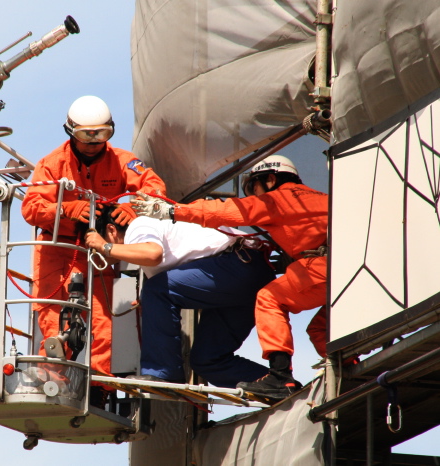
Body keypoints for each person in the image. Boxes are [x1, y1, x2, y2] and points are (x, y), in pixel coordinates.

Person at [132, 155, 328, 400]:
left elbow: (226, 211)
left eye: (254, 188)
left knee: (269, 298)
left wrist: (171, 211)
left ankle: (280, 377)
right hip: (352, 272)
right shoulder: (325, 198)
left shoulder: (277, 199)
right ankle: (346, 371)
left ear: (269, 179)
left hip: (321, 267)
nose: (254, 196)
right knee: (320, 329)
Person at [21, 96, 166, 386]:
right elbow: (31, 208)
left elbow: (155, 187)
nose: (93, 143)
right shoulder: (51, 165)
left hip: (98, 250)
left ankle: (98, 384)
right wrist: (66, 209)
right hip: (57, 249)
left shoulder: (122, 162)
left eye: (101, 134)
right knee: (52, 314)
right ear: (71, 132)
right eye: (86, 135)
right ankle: (53, 377)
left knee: (101, 318)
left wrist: (133, 206)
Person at [84, 204, 275, 388]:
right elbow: (170, 282)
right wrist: (152, 303)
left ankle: (162, 373)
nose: (97, 253)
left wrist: (105, 247)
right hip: (248, 275)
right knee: (207, 360)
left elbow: (153, 254)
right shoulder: (148, 249)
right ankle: (280, 386)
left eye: (95, 247)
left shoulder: (138, 226)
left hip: (241, 263)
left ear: (111, 230)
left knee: (155, 290)